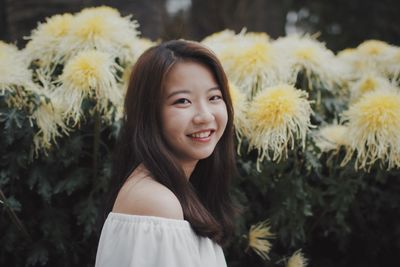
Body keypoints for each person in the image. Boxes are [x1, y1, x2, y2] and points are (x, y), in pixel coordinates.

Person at [95, 39, 238, 267]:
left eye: (214, 97)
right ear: (149, 114)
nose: (205, 116)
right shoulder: (156, 204)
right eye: (182, 101)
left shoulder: (178, 190)